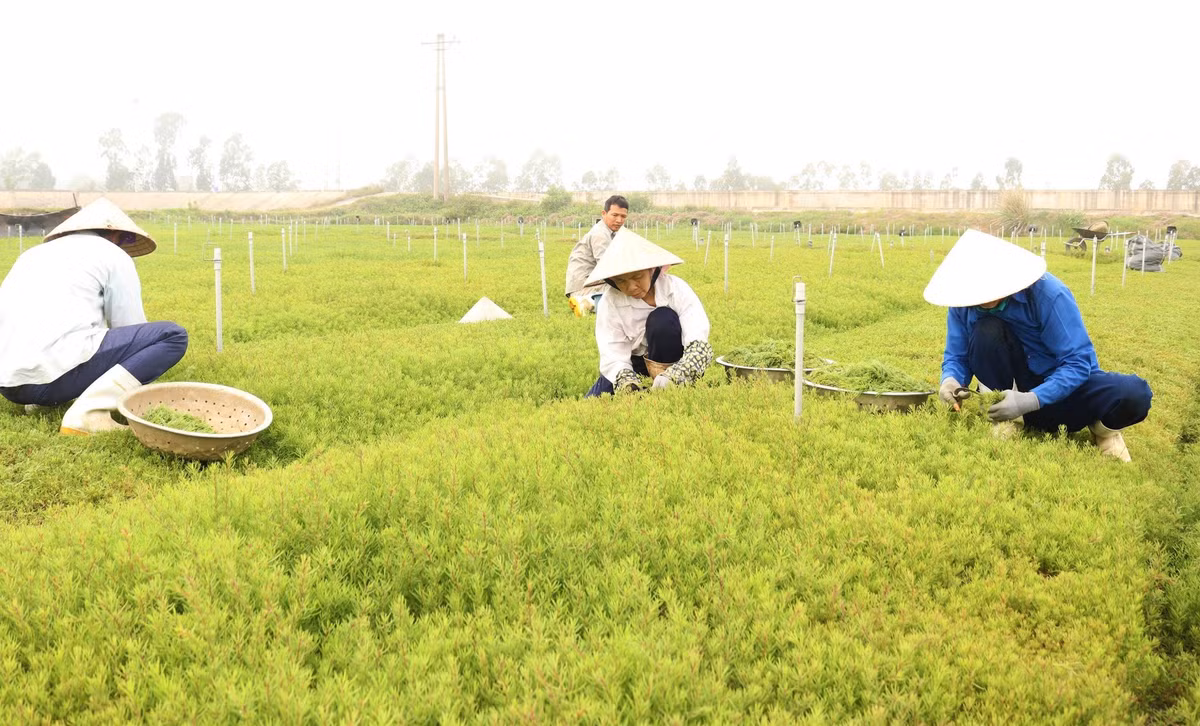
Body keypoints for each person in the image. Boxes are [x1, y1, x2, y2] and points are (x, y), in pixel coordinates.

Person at [924, 229, 1152, 461]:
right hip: (1014, 391)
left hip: (1066, 393)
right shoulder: (963, 301)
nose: (979, 299)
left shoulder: (1049, 294)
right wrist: (950, 380)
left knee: (1134, 393)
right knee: (986, 330)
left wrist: (1032, 399)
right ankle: (1008, 419)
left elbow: (1077, 363)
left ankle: (1105, 433)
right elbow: (957, 355)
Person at [0, 198, 189, 435]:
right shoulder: (113, 255)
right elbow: (129, 323)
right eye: (127, 239)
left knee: (78, 335)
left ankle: (41, 404)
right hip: (50, 381)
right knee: (172, 336)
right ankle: (88, 414)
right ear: (115, 235)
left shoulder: (31, 254)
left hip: (8, 383)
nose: (125, 245)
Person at [584, 228, 712, 396]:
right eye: (621, 281)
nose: (631, 287)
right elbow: (613, 351)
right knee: (597, 403)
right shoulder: (611, 301)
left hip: (672, 359)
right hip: (631, 363)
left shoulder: (676, 289)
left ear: (652, 270)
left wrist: (677, 375)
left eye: (637, 277)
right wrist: (627, 382)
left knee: (662, 319)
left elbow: (697, 340)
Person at [564, 195, 629, 316]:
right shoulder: (600, 234)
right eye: (615, 215)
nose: (619, 220)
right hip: (583, 287)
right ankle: (586, 303)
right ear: (604, 213)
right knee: (628, 292)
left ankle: (590, 304)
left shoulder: (614, 233)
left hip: (593, 282)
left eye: (623, 216)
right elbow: (608, 268)